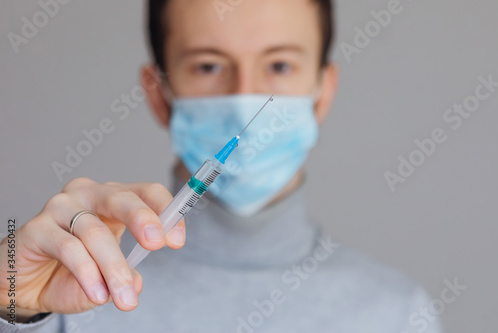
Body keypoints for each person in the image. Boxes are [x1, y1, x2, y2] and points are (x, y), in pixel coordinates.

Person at [0, 0, 443, 332]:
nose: (243, 97)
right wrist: (8, 295)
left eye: (280, 64)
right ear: (158, 93)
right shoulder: (65, 295)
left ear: (323, 92)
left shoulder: (398, 314)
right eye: (209, 65)